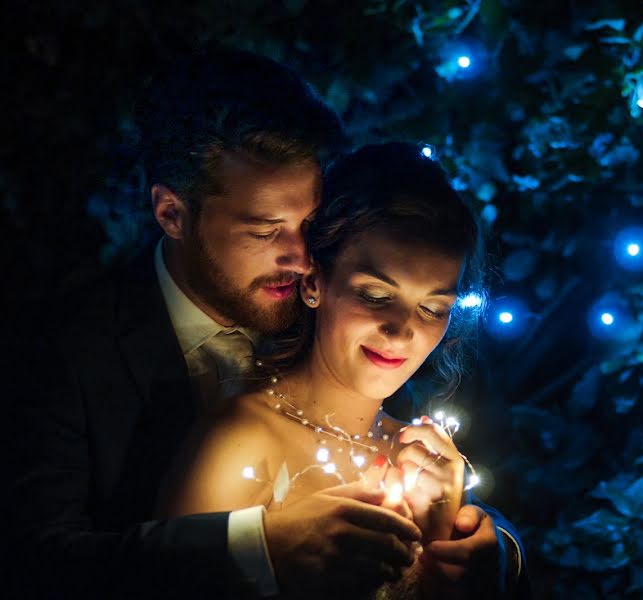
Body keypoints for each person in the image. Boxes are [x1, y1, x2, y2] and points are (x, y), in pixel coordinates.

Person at [3, 49, 526, 599]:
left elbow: (449, 468)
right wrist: (259, 551)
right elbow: (33, 563)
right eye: (263, 230)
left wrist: (494, 548)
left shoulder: (348, 310)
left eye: (309, 223)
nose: (303, 256)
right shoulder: (65, 351)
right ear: (172, 214)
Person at [156, 141, 523, 599]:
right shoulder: (242, 439)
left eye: (432, 308)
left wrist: (463, 547)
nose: (401, 331)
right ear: (314, 283)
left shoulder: (425, 461)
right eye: (375, 295)